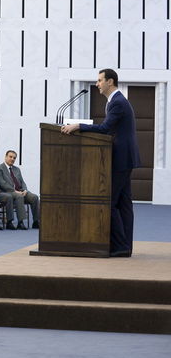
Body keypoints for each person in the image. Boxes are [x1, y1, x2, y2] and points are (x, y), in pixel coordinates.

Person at [61, 68, 139, 257]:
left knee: (110, 202)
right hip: (125, 157)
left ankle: (120, 246)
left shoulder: (118, 102)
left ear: (110, 82)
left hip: (121, 158)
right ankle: (125, 246)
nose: (97, 84)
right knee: (123, 203)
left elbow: (105, 129)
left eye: (99, 80)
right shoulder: (116, 101)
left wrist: (78, 126)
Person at [0, 150, 41, 230]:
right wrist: (14, 191)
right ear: (6, 157)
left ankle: (36, 221)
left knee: (35, 197)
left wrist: (25, 190)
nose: (12, 159)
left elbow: (22, 182)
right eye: (10, 157)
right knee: (19, 196)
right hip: (8, 191)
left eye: (14, 158)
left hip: (20, 191)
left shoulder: (17, 169)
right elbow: (2, 183)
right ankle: (20, 222)